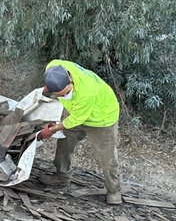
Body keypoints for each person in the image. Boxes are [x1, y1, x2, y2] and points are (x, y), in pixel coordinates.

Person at [36, 60, 122, 204]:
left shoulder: (87, 92)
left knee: (107, 156)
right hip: (78, 112)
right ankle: (61, 177)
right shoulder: (54, 68)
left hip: (103, 119)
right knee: (64, 142)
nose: (64, 97)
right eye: (61, 95)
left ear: (71, 80)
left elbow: (75, 120)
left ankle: (114, 190)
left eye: (67, 93)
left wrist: (51, 130)